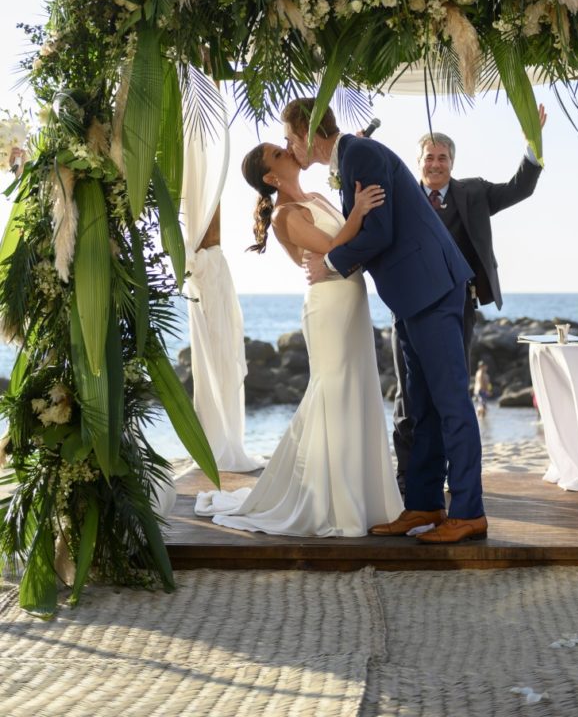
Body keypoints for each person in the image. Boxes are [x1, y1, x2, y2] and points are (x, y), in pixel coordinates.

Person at [283, 98, 486, 545]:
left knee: (451, 401)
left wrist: (330, 263)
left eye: (287, 137)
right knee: (422, 405)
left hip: (432, 287)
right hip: (411, 295)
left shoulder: (361, 153)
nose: (287, 145)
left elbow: (381, 232)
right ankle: (424, 503)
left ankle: (469, 511)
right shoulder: (353, 157)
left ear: (305, 132)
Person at [195, 142, 403, 537]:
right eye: (279, 153)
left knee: (357, 389)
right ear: (271, 177)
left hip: (352, 297)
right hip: (327, 306)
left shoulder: (320, 196)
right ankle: (334, 501)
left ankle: (363, 496)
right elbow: (331, 247)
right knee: (333, 391)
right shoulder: (283, 215)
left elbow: (345, 250)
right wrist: (358, 211)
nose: (289, 151)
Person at [392, 107, 546, 493]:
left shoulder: (473, 193)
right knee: (408, 396)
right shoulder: (400, 196)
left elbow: (520, 188)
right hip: (407, 311)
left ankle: (442, 478)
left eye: (442, 157)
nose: (435, 164)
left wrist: (533, 144)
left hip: (457, 311)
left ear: (452, 162)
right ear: (418, 162)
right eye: (429, 157)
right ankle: (408, 479)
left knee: (449, 395)